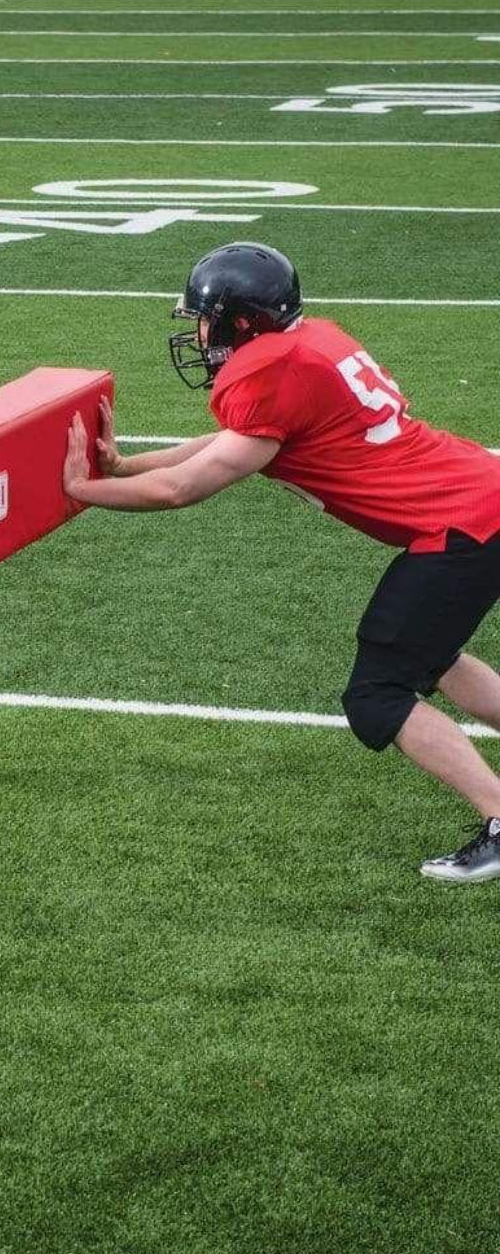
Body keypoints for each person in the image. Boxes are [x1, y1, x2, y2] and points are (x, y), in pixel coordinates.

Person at [61, 241, 500, 882]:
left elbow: (182, 489)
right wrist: (127, 466)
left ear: (242, 322)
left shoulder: (270, 373)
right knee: (431, 658)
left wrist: (84, 491)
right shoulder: (308, 341)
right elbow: (233, 440)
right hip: (478, 499)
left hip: (460, 525)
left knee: (377, 694)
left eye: (205, 319)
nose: (198, 333)